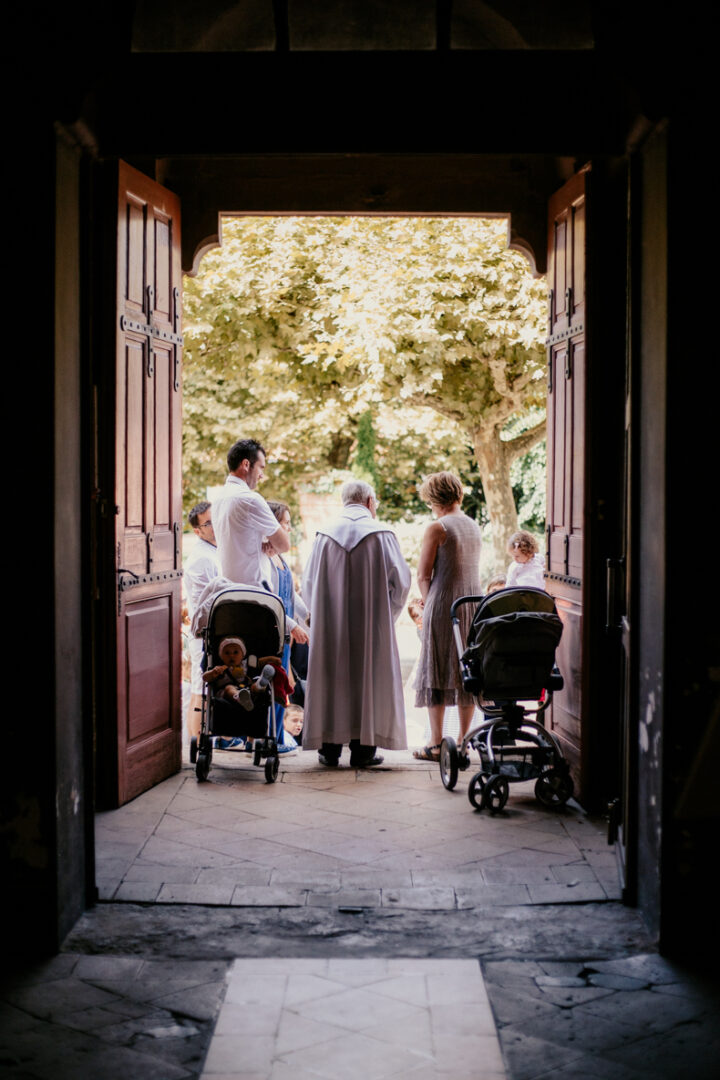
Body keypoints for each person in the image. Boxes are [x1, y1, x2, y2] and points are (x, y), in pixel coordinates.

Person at [301, 479, 411, 767]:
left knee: (331, 679)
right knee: (369, 680)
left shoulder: (324, 536)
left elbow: (308, 584)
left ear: (344, 502)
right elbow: (401, 584)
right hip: (371, 624)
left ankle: (330, 748)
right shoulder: (382, 534)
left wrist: (320, 616)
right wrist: (388, 616)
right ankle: (364, 751)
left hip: (331, 625)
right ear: (370, 502)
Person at [413, 471, 483, 762]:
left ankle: (435, 742)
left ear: (433, 498)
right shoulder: (472, 525)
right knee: (466, 670)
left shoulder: (437, 527)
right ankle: (465, 741)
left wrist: (428, 602)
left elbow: (423, 574)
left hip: (443, 605)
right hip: (472, 604)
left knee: (437, 669)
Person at [263, 500, 309, 754]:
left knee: (282, 687)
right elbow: (271, 599)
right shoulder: (263, 559)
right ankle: (272, 737)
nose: (289, 529)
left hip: (286, 635)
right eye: (285, 524)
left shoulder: (279, 557)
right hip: (274, 632)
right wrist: (293, 626)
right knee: (274, 684)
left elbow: (292, 595)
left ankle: (278, 738)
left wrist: (308, 616)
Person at [212, 438, 290, 588]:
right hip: (254, 593)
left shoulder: (218, 500)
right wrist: (274, 544)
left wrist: (264, 543)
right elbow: (284, 545)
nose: (262, 475)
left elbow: (240, 540)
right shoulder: (250, 500)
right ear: (246, 465)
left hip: (229, 591)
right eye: (261, 468)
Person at [184, 501, 221, 742]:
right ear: (198, 531)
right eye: (208, 523)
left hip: (216, 630)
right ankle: (196, 747)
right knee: (200, 691)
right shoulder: (201, 558)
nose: (215, 525)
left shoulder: (216, 550)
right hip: (203, 633)